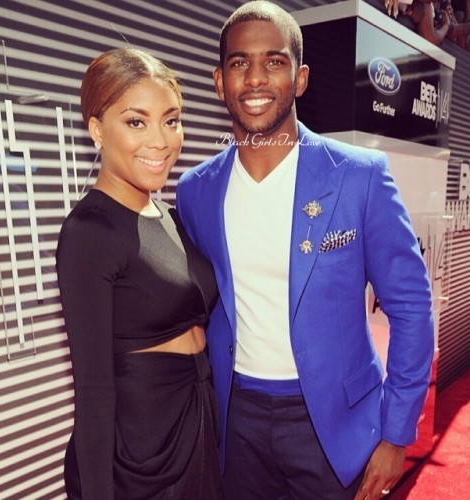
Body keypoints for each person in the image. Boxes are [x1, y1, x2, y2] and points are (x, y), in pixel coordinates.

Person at [176, 2, 434, 499]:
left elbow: (412, 306)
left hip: (338, 426)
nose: (255, 79)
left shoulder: (360, 175)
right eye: (238, 63)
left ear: (300, 79)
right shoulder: (195, 191)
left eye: (274, 61)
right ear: (218, 80)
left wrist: (397, 432)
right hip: (238, 422)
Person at [56, 47, 224, 499]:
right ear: (96, 129)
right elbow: (92, 391)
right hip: (140, 453)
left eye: (170, 120)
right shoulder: (89, 231)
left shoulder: (169, 214)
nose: (161, 140)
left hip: (196, 420)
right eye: (136, 121)